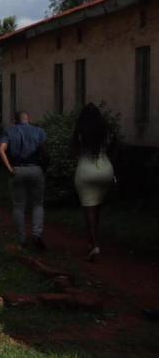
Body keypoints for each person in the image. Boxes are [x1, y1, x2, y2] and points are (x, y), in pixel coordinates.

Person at [0, 111, 48, 250]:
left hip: (17, 170)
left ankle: (22, 238)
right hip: (36, 169)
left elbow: (1, 150)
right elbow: (45, 151)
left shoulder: (9, 131)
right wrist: (44, 167)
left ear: (14, 120)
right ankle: (37, 235)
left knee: (19, 205)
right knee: (38, 204)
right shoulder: (39, 131)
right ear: (29, 119)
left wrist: (9, 168)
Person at [72, 103, 115, 261]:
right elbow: (112, 149)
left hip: (86, 171)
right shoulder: (107, 131)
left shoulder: (80, 132)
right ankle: (93, 240)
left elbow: (75, 152)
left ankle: (93, 243)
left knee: (89, 209)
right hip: (105, 170)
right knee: (97, 207)